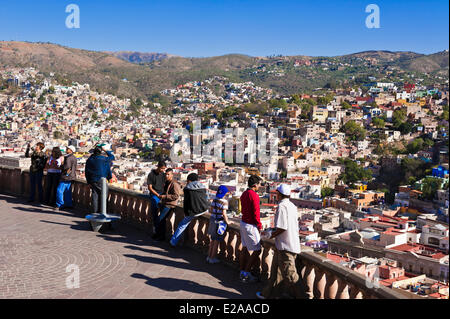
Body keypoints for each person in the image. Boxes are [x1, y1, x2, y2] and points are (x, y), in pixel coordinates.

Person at [256, 184, 303, 300]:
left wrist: (270, 235)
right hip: (287, 244)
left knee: (291, 276)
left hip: (285, 246)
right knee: (275, 272)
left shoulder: (282, 207)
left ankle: (303, 296)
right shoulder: (292, 206)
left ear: (279, 194)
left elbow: (282, 227)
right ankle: (269, 294)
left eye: (277, 193)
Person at [170, 173, 210, 247]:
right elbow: (206, 198)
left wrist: (186, 212)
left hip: (194, 211)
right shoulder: (203, 187)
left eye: (187, 180)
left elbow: (187, 202)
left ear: (189, 180)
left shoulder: (187, 188)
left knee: (182, 225)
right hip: (204, 209)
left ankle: (173, 242)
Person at [239, 174, 263, 283]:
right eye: (259, 184)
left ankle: (242, 270)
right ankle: (246, 274)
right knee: (257, 250)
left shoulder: (244, 194)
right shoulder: (254, 195)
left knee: (244, 248)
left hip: (243, 223)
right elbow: (256, 213)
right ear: (255, 184)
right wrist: (259, 226)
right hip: (250, 225)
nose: (260, 186)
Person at [152, 168, 182, 241]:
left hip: (169, 205)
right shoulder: (166, 182)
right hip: (164, 203)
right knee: (162, 221)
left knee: (160, 219)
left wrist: (164, 196)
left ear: (172, 175)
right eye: (166, 174)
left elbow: (176, 196)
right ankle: (160, 236)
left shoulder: (174, 184)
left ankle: (160, 236)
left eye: (168, 174)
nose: (166, 176)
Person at [85, 145, 115, 214]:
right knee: (104, 196)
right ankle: (103, 212)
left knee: (95, 197)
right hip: (102, 180)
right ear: (100, 152)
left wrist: (88, 182)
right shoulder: (104, 159)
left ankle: (95, 213)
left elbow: (87, 171)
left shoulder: (90, 159)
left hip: (93, 180)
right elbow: (112, 157)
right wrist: (106, 150)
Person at [207, 185, 230, 264]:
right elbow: (224, 214)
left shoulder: (214, 200)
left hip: (212, 220)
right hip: (219, 222)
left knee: (212, 240)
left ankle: (209, 256)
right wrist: (228, 222)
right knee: (216, 241)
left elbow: (210, 210)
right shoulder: (225, 202)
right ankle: (212, 258)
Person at [147, 161, 167, 234]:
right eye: (162, 168)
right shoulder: (151, 175)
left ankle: (160, 228)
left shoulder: (163, 174)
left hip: (162, 194)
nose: (163, 170)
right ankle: (155, 228)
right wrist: (157, 195)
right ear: (158, 167)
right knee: (154, 212)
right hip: (155, 195)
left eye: (164, 169)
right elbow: (150, 188)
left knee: (162, 212)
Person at [55, 146, 77, 210]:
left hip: (66, 176)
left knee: (59, 190)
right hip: (71, 176)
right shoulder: (74, 157)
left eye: (68, 149)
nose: (66, 149)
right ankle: (68, 204)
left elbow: (67, 167)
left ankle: (60, 204)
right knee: (68, 191)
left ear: (71, 150)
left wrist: (61, 165)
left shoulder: (68, 157)